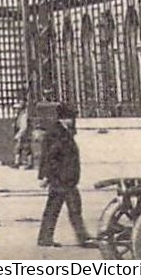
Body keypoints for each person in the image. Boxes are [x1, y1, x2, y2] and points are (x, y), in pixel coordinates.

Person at [37, 102, 95, 249]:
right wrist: (50, 176)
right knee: (71, 209)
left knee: (56, 209)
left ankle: (45, 238)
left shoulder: (60, 131)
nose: (73, 121)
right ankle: (82, 238)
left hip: (64, 179)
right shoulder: (59, 133)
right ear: (64, 118)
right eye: (71, 118)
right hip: (62, 179)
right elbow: (51, 157)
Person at [12, 98, 35, 170]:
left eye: (17, 108)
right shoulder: (19, 115)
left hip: (24, 134)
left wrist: (18, 135)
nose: (15, 110)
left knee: (26, 148)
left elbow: (24, 127)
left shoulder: (24, 115)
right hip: (21, 134)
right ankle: (17, 163)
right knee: (18, 148)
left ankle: (29, 163)